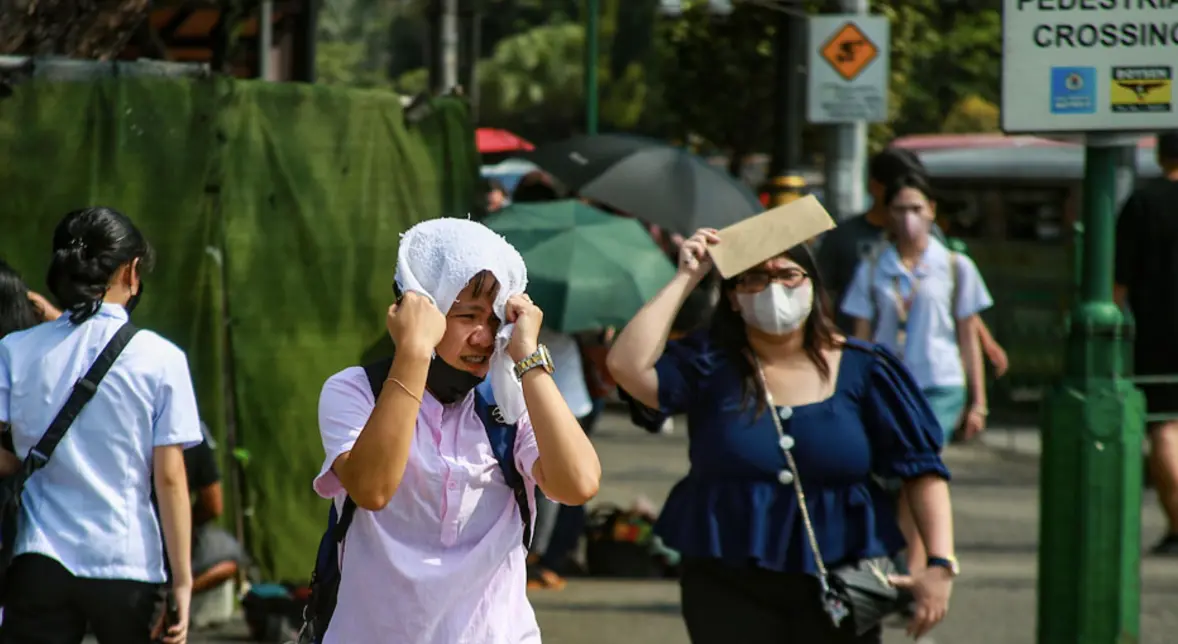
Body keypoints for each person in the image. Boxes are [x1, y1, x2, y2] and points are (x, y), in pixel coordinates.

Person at [607, 227, 956, 643]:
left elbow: (923, 471)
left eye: (788, 275)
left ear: (813, 287)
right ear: (732, 297)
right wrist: (687, 277)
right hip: (726, 578)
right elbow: (626, 366)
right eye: (754, 278)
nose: (774, 289)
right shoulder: (708, 364)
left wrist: (939, 564)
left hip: (841, 580)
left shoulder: (865, 368)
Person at [313, 218, 601, 643]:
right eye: (468, 316)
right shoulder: (355, 391)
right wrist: (414, 351)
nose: (485, 338)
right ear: (423, 309)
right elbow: (372, 488)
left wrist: (527, 355)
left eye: (496, 319)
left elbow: (578, 484)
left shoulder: (508, 402)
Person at [0, 207, 200, 644]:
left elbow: (7, 460)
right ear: (131, 271)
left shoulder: (14, 350)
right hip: (126, 563)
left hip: (39, 559)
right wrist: (183, 581)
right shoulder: (162, 358)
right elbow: (170, 478)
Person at [840, 173, 990, 581]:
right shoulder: (875, 267)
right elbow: (861, 336)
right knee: (890, 476)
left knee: (917, 470)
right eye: (900, 209)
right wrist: (852, 391)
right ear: (887, 214)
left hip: (940, 384)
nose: (909, 218)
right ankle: (898, 560)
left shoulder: (955, 266)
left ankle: (915, 569)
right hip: (889, 385)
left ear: (932, 212)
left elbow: (968, 335)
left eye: (916, 209)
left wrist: (978, 401)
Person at [816, 147, 1008, 378]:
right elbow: (823, 296)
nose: (907, 193)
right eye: (897, 187)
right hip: (867, 358)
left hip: (927, 365)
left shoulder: (930, 235)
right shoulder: (844, 237)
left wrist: (986, 341)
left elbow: (952, 295)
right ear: (875, 188)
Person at [1115, 130, 1178, 555]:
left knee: (1166, 427)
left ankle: (1177, 525)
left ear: (1159, 155)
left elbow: (1117, 282)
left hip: (1159, 332)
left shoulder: (1142, 204)